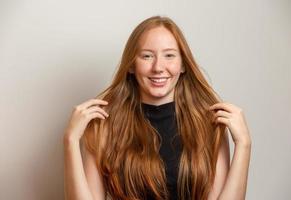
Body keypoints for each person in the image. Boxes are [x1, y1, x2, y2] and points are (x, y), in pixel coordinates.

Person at [63, 16, 252, 200]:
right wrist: (70, 141)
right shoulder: (103, 125)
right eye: (147, 56)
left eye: (169, 55)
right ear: (131, 66)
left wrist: (244, 144)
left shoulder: (210, 124)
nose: (158, 67)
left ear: (183, 64)